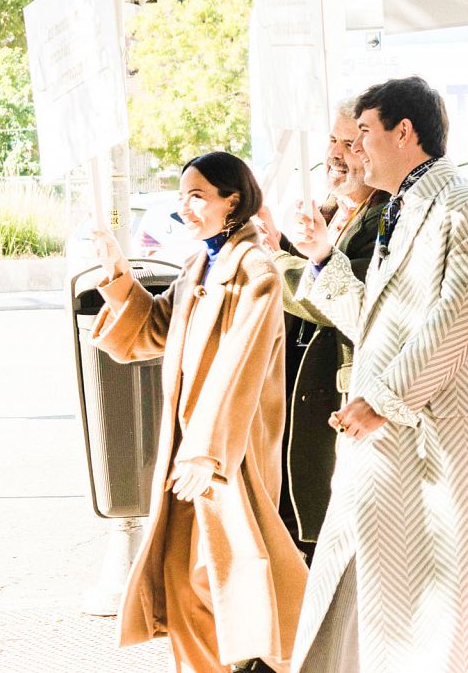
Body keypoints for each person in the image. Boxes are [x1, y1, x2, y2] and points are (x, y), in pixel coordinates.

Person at [286, 77, 468, 672]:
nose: (354, 150)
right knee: (402, 597)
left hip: (442, 437)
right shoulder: (406, 203)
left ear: (404, 132)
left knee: (456, 599)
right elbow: (376, 318)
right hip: (398, 435)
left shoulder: (464, 204)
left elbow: (456, 318)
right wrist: (322, 258)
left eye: (363, 133)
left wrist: (383, 399)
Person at [89, 151, 307, 672]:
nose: (185, 207)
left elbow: (241, 366)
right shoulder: (198, 264)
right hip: (187, 452)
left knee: (233, 576)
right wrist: (116, 270)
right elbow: (153, 331)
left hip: (227, 456)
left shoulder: (255, 271)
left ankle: (295, 656)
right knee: (186, 581)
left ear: (233, 201)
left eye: (198, 196)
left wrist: (206, 452)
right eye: (182, 195)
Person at [255, 100, 388, 560]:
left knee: (327, 536)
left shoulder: (386, 217)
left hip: (338, 396)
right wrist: (278, 244)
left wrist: (275, 259)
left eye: (350, 143)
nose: (335, 153)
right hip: (297, 394)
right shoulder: (330, 210)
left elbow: (332, 295)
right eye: (332, 139)